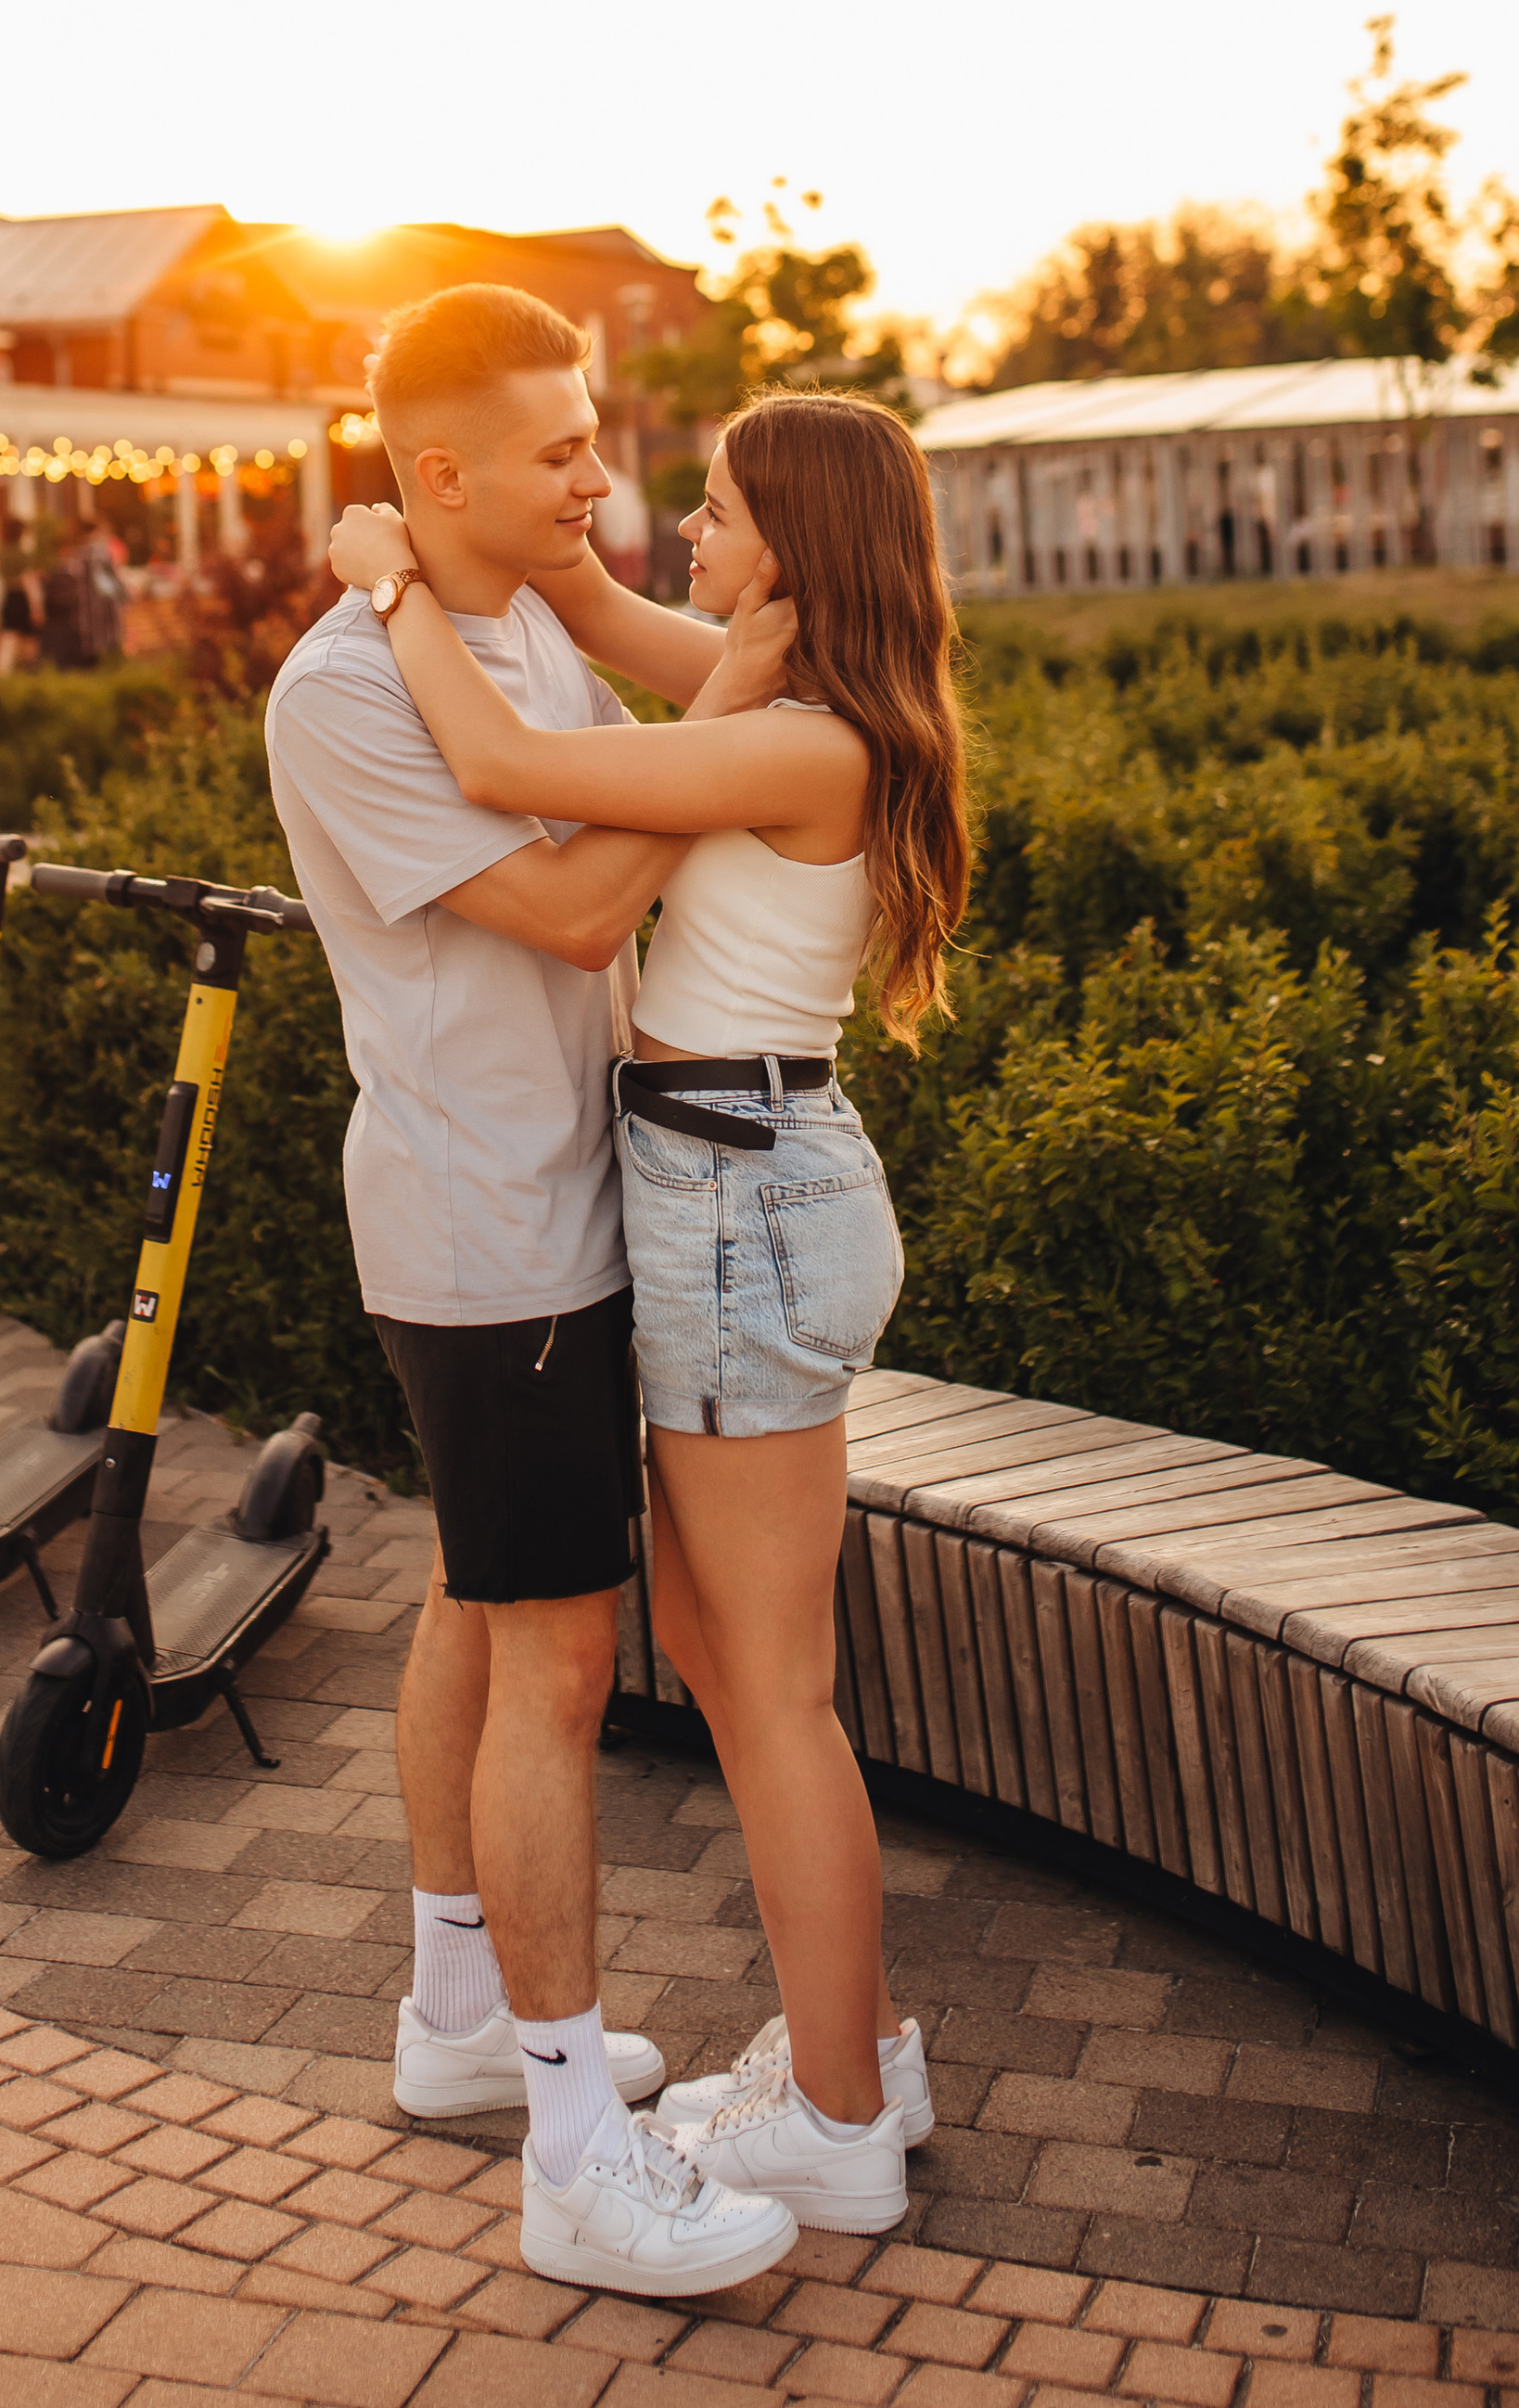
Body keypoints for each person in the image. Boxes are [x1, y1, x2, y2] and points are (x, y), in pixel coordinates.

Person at [326, 380, 969, 2240]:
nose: (672, 528)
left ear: (796, 547)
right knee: (732, 1655)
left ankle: (841, 2115)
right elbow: (602, 622)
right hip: (735, 1187)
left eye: (716, 508)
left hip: (737, 1201)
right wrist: (527, 555)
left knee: (769, 1694)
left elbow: (519, 777)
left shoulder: (799, 742)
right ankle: (845, 2054)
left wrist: (381, 587)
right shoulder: (789, 699)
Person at [266, 284, 806, 2301]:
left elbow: (628, 771)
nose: (603, 475)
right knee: (556, 1672)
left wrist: (698, 680)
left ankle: (459, 2020)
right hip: (495, 1236)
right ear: (434, 477)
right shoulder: (344, 689)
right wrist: (709, 742)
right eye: (563, 446)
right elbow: (583, 900)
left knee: (477, 1611)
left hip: (555, 1209)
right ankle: (575, 2153)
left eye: (597, 438)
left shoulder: (505, 622)